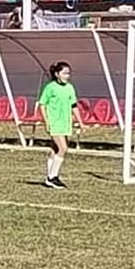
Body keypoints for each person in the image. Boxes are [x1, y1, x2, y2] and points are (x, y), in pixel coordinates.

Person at [37, 61, 82, 189]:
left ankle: (50, 176)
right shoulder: (50, 87)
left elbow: (74, 105)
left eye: (68, 73)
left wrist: (80, 121)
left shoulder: (69, 88)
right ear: (57, 74)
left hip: (65, 123)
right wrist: (47, 122)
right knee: (63, 148)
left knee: (55, 149)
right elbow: (42, 105)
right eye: (64, 73)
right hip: (54, 123)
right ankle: (52, 177)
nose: (67, 76)